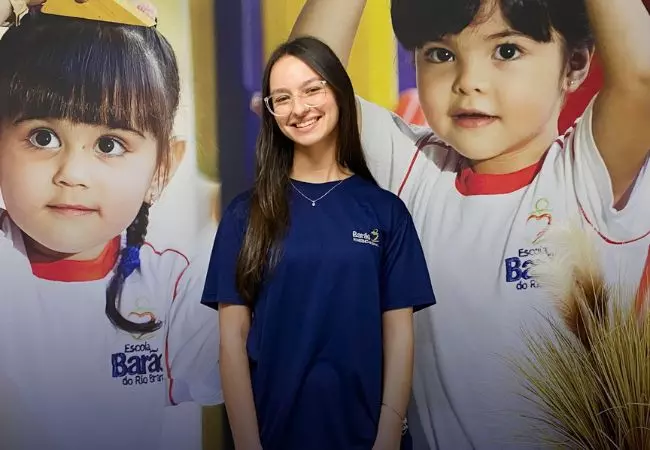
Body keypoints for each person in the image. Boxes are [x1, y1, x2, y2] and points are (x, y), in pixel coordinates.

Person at [289, 0, 650, 448]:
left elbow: (641, 76)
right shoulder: (412, 174)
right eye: (441, 54)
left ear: (574, 64)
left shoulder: (586, 177)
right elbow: (302, 90)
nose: (468, 83)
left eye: (507, 51)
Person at [0, 2, 222, 449]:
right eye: (43, 137)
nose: (72, 173)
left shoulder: (172, 290)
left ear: (161, 168)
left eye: (109, 144)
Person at [202, 36, 435, 450]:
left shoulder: (386, 212)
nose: (300, 108)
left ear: (338, 92)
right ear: (272, 112)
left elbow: (399, 338)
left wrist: (386, 439)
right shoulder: (245, 214)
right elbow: (232, 341)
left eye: (312, 89)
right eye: (282, 98)